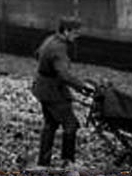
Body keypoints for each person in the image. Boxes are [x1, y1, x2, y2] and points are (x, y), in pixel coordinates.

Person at [31, 16, 93, 168]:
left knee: (50, 124)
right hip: (53, 92)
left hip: (41, 87)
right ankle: (68, 162)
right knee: (71, 125)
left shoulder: (50, 39)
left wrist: (47, 69)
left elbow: (37, 54)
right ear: (66, 31)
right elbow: (64, 74)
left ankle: (43, 162)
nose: (77, 36)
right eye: (75, 33)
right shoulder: (60, 48)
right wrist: (83, 86)